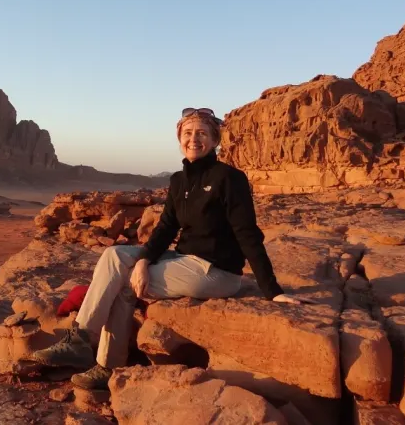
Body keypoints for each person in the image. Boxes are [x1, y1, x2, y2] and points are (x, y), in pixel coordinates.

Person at [29, 107, 312, 390]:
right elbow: (165, 228)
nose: (194, 139)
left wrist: (273, 291)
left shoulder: (229, 178)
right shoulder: (179, 180)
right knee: (114, 255)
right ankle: (82, 343)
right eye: (187, 133)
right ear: (179, 138)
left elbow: (248, 234)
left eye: (202, 133)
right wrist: (143, 260)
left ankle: (105, 365)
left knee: (124, 286)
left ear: (215, 140)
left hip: (216, 273)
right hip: (183, 260)